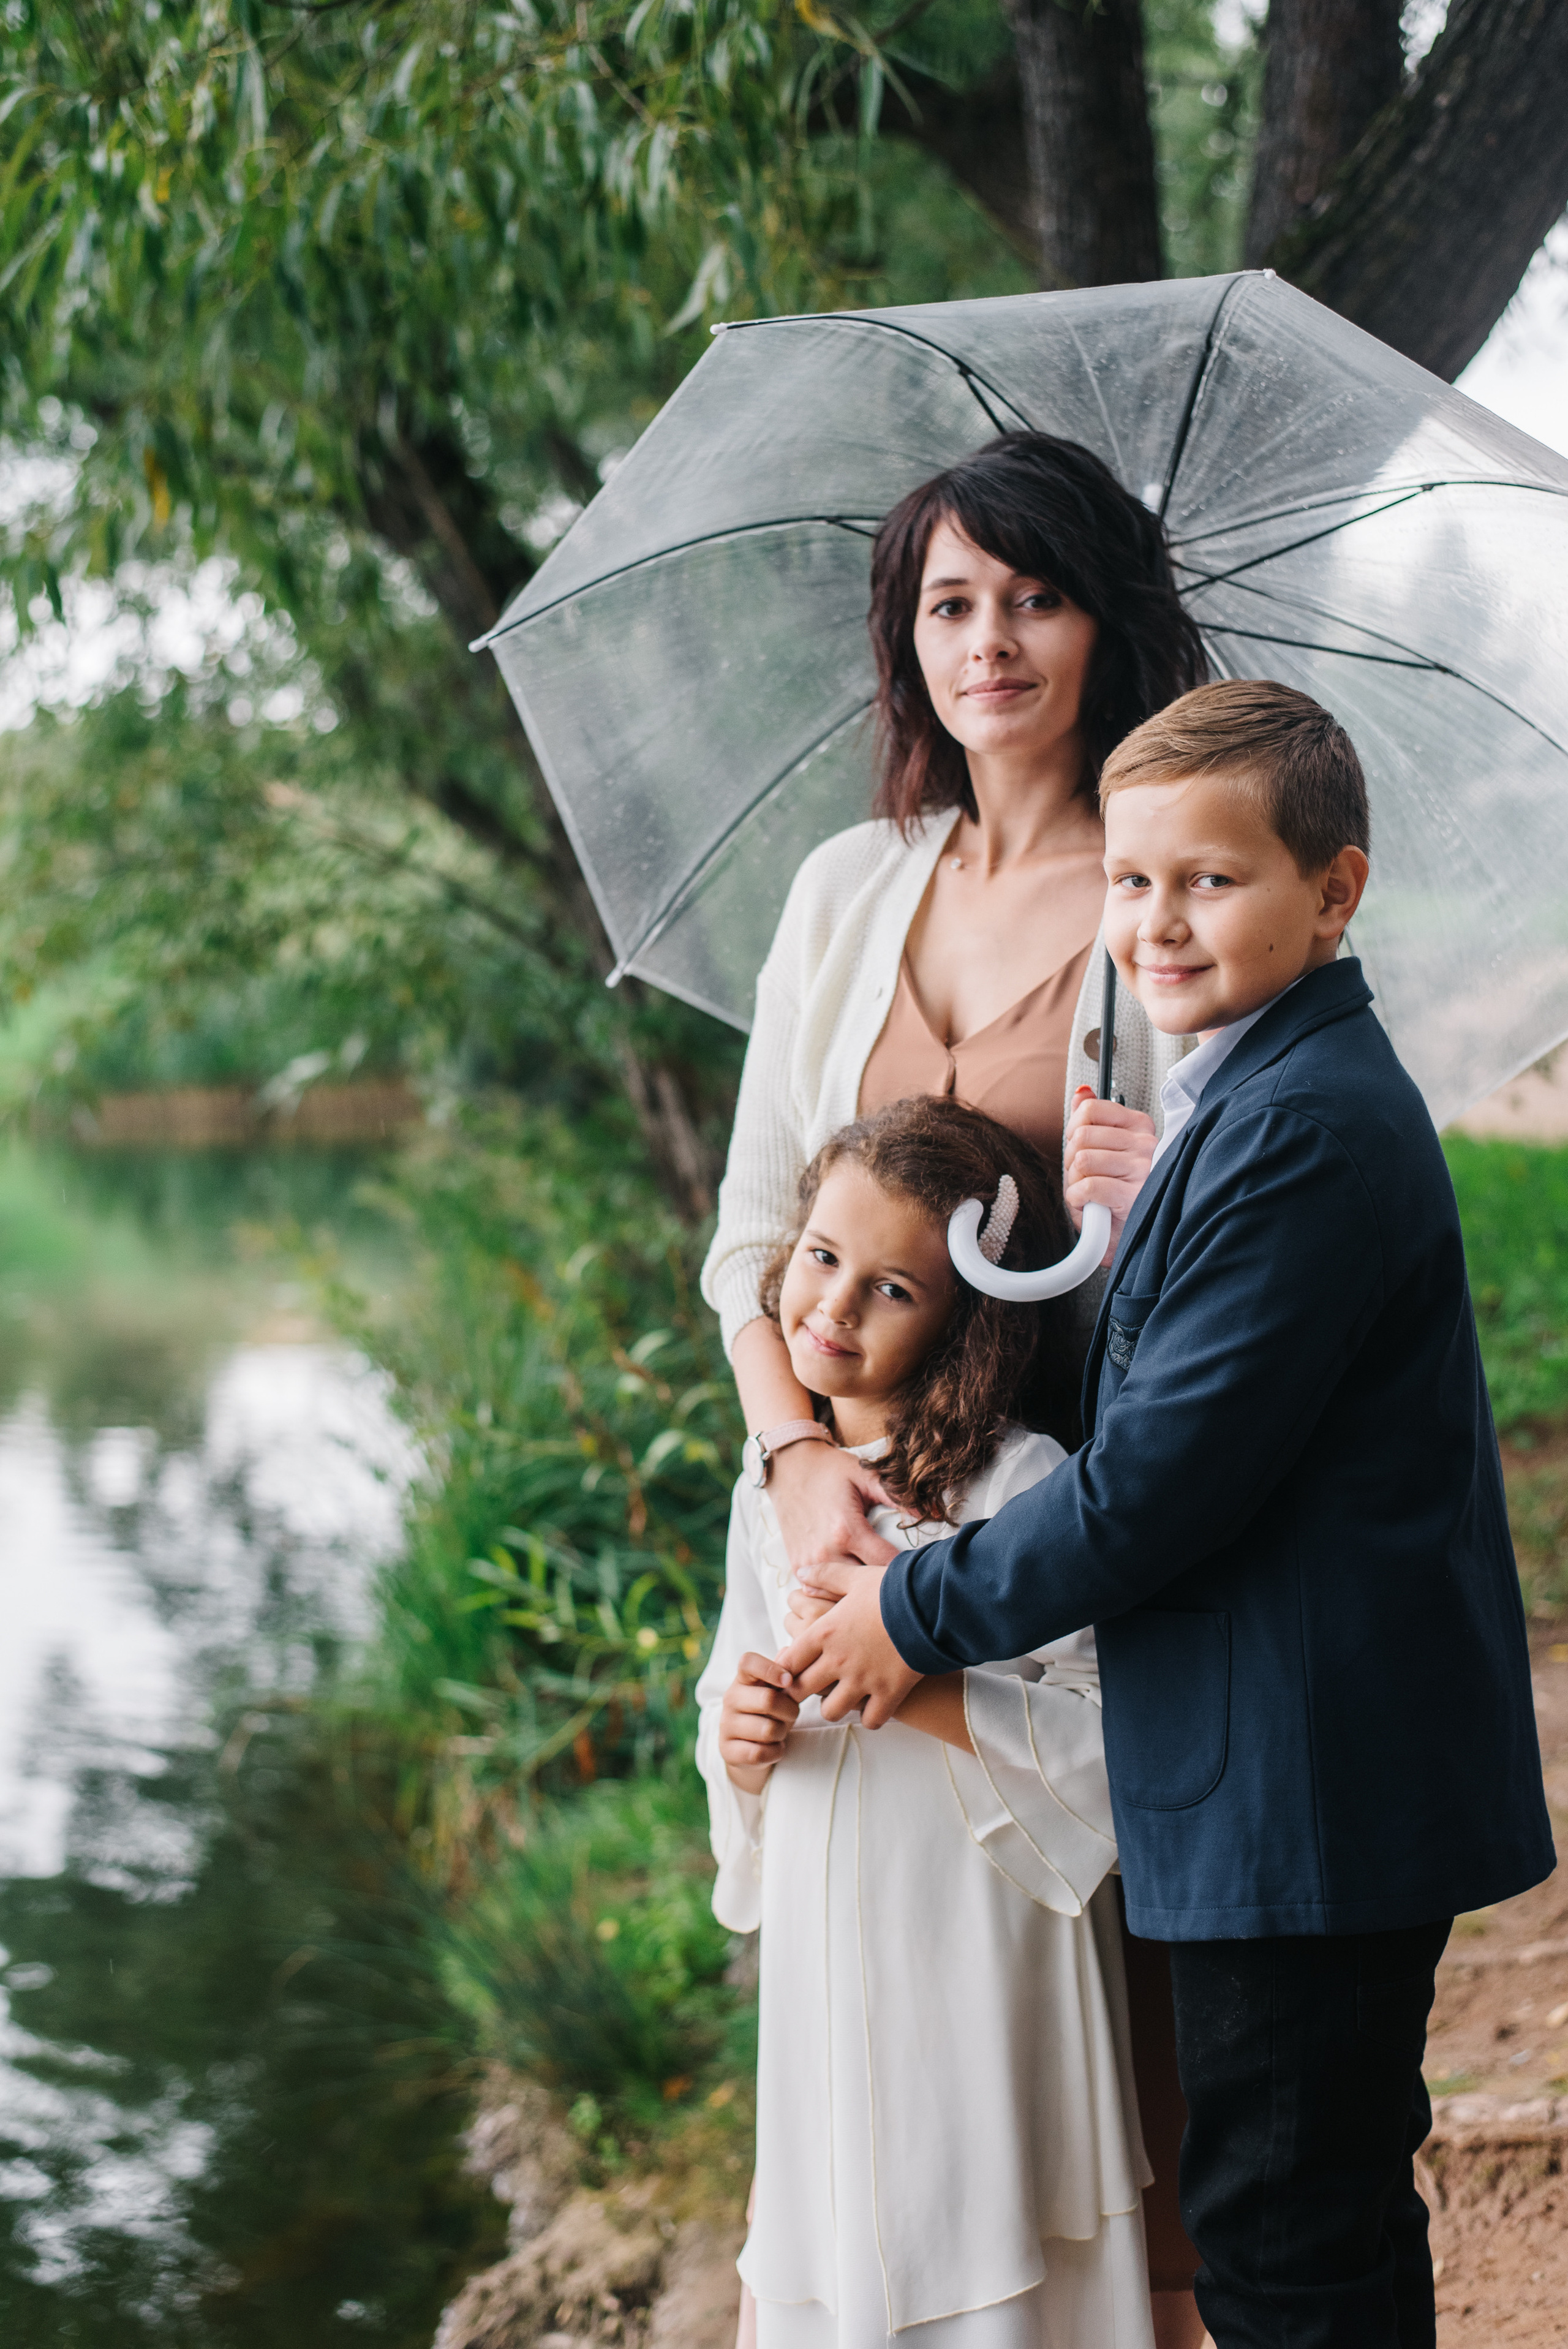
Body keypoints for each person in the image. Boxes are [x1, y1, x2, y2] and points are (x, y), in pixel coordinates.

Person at [780, 680, 1557, 2349]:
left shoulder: (1303, 1129)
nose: (1156, 921)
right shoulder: (1249, 1098)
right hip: (1296, 1756)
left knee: (1283, 2231)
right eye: (1129, 881)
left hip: (1306, 1774)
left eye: (1209, 880)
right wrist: (1133, 1236)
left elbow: (1153, 1487)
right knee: (1316, 2207)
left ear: (1333, 892)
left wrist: (907, 1609)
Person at [701, 432, 1209, 2329]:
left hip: (1067, 1547)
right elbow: (751, 1241)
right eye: (949, 603)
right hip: (847, 1514)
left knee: (1108, 2064)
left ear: (1105, 621)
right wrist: (791, 1458)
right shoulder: (850, 888)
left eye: (1035, 596)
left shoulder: (1166, 893)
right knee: (880, 2034)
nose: (989, 640)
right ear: (905, 638)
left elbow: (1243, 1241)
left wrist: (1156, 1183)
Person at [697, 1096, 1165, 2349]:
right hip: (826, 1948)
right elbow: (729, 1681)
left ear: (962, 1318)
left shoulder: (1021, 1485)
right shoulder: (773, 1490)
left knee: (977, 2211)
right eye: (820, 1257)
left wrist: (924, 1680)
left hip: (974, 1951)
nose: (834, 1308)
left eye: (891, 1289)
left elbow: (1111, 1739)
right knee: (842, 2219)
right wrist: (742, 1739)